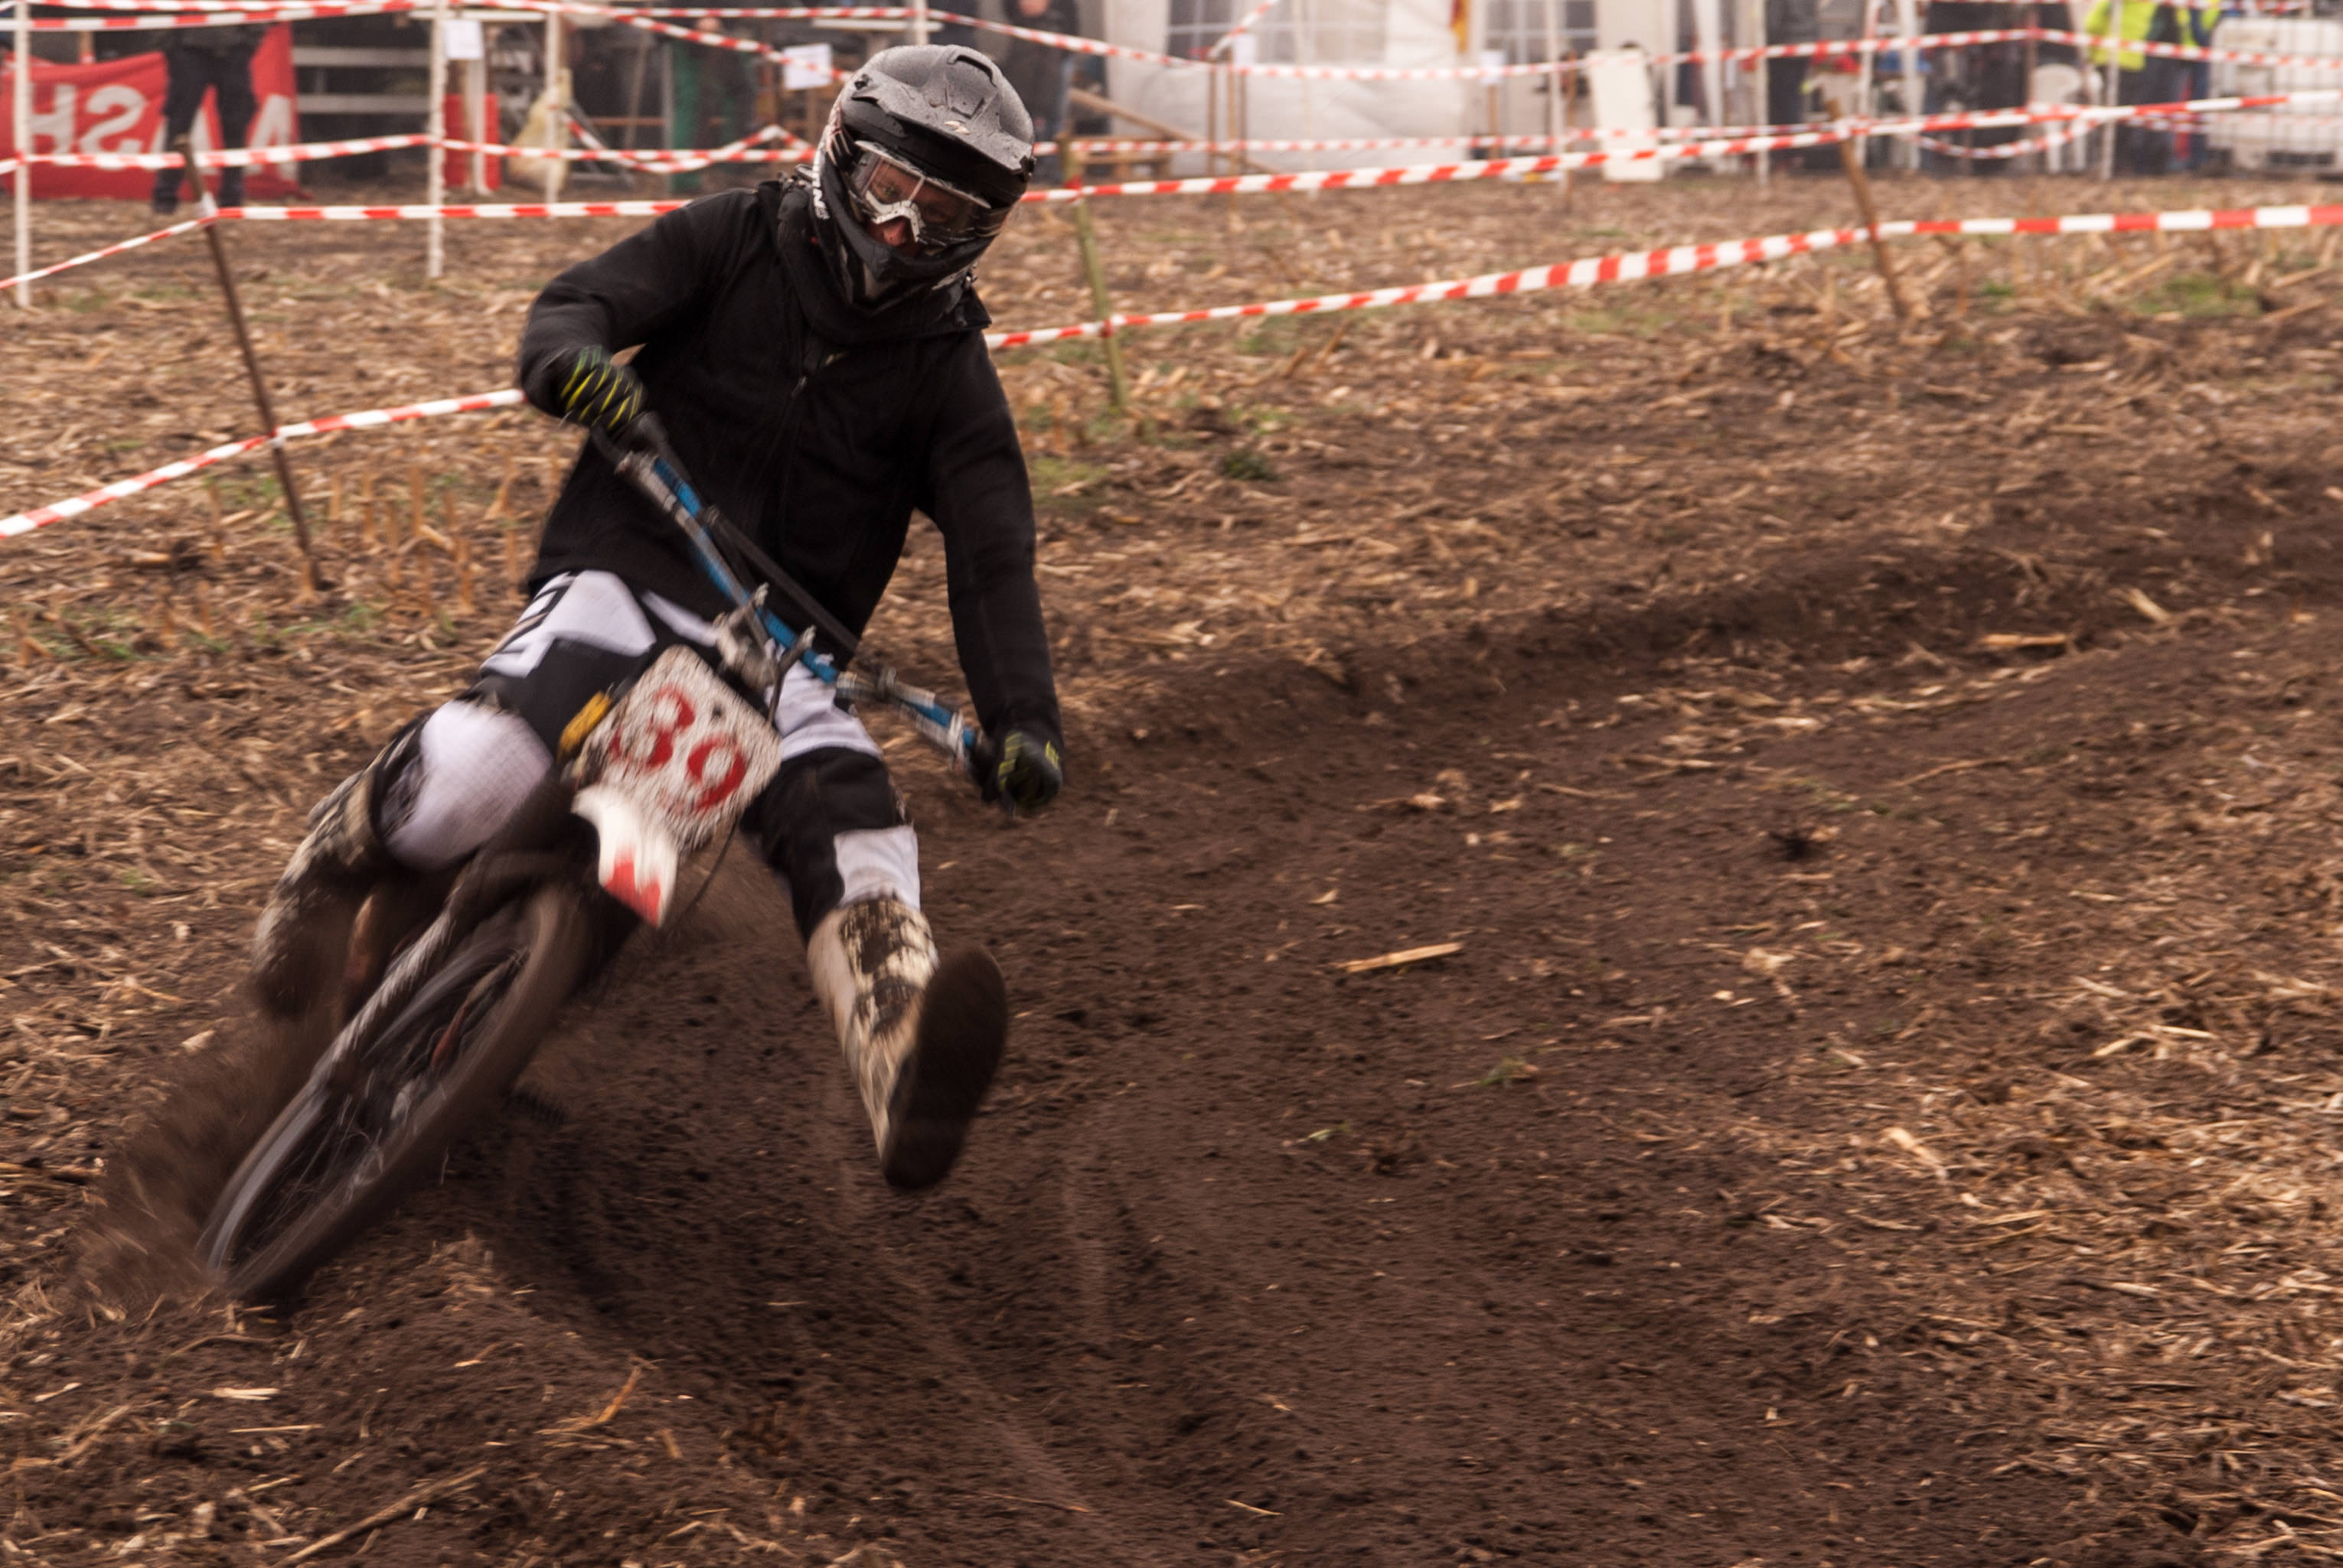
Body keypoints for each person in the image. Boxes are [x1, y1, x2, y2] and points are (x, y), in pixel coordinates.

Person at [247, 45, 1065, 1192]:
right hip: (626, 570)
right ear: (843, 155)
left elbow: (993, 556)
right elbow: (579, 303)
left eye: (942, 219)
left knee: (859, 826)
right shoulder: (736, 236)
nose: (900, 232)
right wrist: (574, 366)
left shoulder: (950, 370)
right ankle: (337, 849)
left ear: (985, 233)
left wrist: (1023, 719)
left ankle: (902, 1059)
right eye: (891, 190)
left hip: (781, 658)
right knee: (480, 770)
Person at [151, 21, 263, 214]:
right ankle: (165, 197)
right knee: (178, 125)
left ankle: (232, 198)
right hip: (187, 49)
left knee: (236, 125)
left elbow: (258, 12)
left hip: (234, 49)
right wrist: (170, 44)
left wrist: (249, 42)